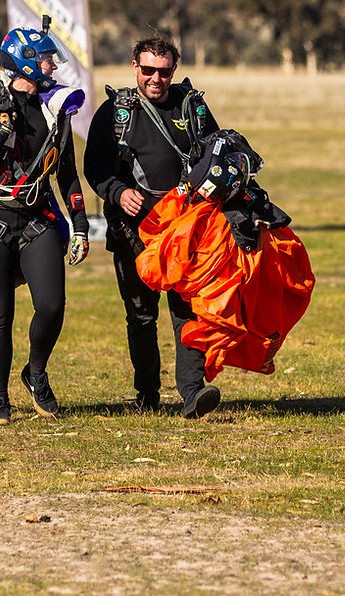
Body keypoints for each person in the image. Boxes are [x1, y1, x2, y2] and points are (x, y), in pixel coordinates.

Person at [0, 26, 90, 426]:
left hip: (38, 219)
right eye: (47, 59)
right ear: (25, 61)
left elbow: (66, 173)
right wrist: (0, 134)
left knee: (51, 304)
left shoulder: (54, 110)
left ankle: (35, 373)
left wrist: (80, 224)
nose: (52, 66)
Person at [84, 36, 221, 419]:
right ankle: (147, 392)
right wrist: (116, 191)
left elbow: (215, 153)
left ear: (173, 71)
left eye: (163, 71)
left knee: (188, 310)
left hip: (186, 228)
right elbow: (94, 166)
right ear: (134, 68)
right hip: (134, 229)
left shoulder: (192, 108)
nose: (156, 79)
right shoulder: (115, 112)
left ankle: (193, 392)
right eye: (148, 71)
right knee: (142, 314)